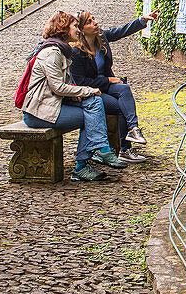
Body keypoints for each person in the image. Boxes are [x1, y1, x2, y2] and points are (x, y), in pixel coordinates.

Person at [21, 12, 127, 181]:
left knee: (94, 102)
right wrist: (87, 90)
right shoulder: (52, 53)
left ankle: (98, 151)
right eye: (75, 27)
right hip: (39, 112)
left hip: (52, 105)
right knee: (90, 112)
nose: (78, 30)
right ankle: (86, 162)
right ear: (63, 29)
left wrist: (79, 94)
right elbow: (57, 87)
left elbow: (57, 88)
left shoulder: (61, 50)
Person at [71, 9, 158, 164]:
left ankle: (133, 130)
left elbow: (120, 32)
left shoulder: (101, 37)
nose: (95, 22)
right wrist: (108, 81)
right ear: (82, 29)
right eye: (90, 21)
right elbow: (81, 82)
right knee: (120, 107)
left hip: (105, 84)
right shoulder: (76, 52)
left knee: (124, 89)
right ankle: (124, 149)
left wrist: (142, 21)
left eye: (94, 18)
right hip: (91, 91)